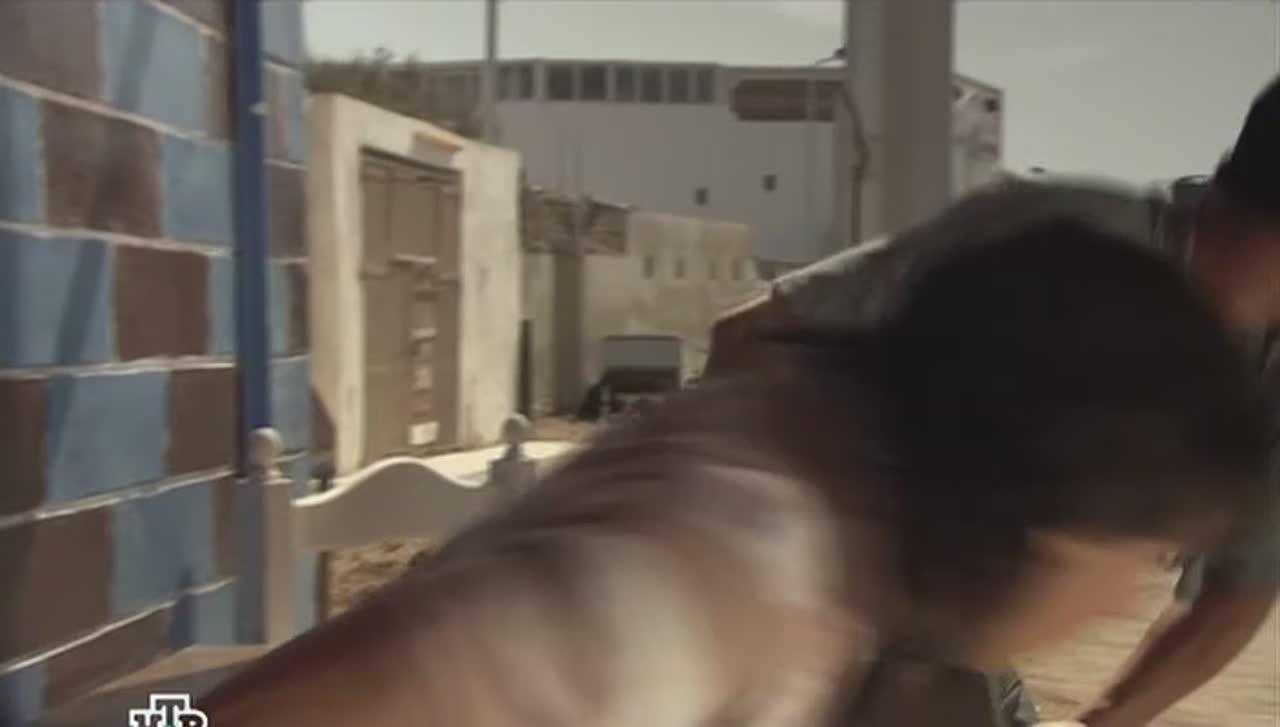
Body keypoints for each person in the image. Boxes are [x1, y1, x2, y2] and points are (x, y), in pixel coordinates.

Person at [197, 219, 1271, 727]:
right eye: (1146, 552)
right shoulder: (709, 585)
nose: (1130, 600)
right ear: (1047, 513)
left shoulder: (816, 445)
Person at [704, 73, 1280, 726]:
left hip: (955, 652)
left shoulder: (1266, 371)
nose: (1124, 595)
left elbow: (1239, 592)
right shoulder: (1055, 242)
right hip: (830, 623)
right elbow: (750, 338)